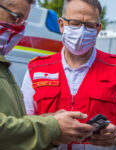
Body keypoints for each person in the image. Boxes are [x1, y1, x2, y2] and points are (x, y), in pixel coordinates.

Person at [21, 0, 116, 150]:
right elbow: (23, 123)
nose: (81, 31)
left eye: (89, 25)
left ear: (98, 29)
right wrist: (52, 125)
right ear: (61, 25)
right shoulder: (36, 69)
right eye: (74, 23)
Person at [0, 0, 95, 149]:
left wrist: (52, 119)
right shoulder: (34, 68)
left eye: (23, 21)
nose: (18, 27)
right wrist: (53, 127)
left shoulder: (3, 66)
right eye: (16, 17)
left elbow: (15, 122)